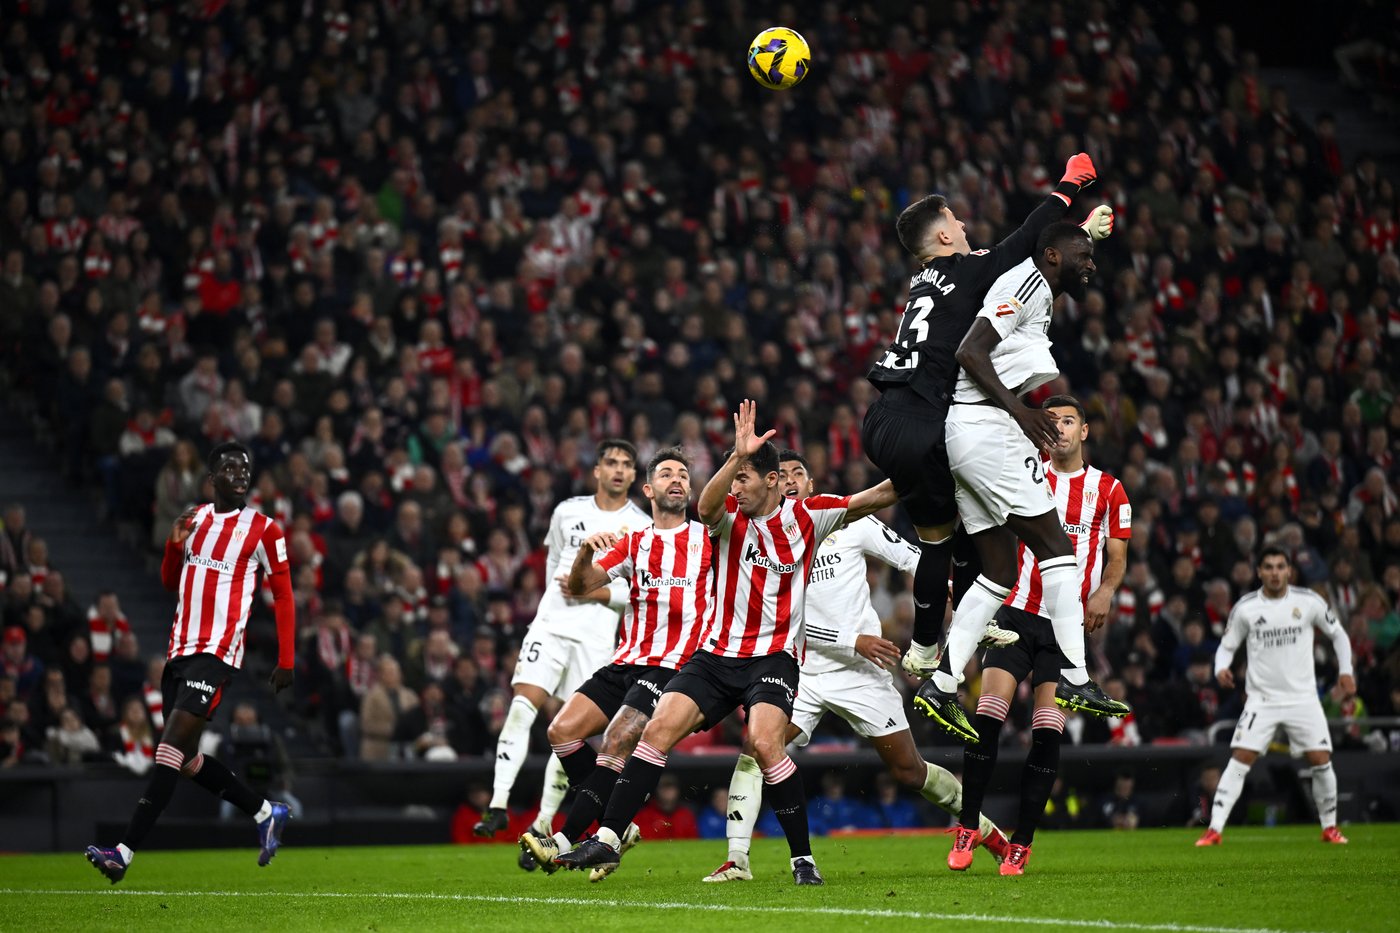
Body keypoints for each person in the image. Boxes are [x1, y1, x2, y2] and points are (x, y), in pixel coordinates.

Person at [555, 401, 898, 886]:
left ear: (773, 481)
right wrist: (735, 459)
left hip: (773, 658)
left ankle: (802, 859)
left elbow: (877, 496)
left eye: (745, 479)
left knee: (762, 743)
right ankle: (608, 838)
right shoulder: (727, 519)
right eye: (734, 478)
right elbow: (706, 505)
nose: (735, 488)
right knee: (657, 730)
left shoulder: (810, 516)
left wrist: (927, 463)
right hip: (716, 655)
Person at [703, 449, 1008, 883]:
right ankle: (737, 860)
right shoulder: (758, 538)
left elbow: (916, 561)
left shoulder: (846, 524)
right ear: (771, 484)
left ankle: (985, 828)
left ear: (811, 484)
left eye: (799, 473)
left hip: (862, 673)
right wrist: (852, 639)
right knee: (757, 748)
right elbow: (774, 619)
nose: (791, 480)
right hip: (801, 670)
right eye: (783, 474)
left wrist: (969, 601)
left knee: (908, 770)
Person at [863, 153, 1111, 683]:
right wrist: (1069, 186)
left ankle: (955, 638)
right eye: (956, 221)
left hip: (883, 414)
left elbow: (1034, 264)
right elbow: (1026, 242)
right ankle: (930, 654)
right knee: (950, 537)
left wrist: (1080, 236)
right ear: (946, 239)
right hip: (925, 419)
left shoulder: (923, 283)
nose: (965, 225)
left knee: (957, 528)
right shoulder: (968, 270)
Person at [915, 222, 1128, 742]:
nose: (1091, 262)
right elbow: (971, 351)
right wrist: (1022, 412)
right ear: (1052, 253)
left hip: (970, 432)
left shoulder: (1041, 291)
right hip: (987, 427)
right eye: (1083, 252)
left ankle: (941, 683)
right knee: (1058, 551)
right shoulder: (1026, 281)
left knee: (997, 572)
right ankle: (1076, 677)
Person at [86, 440, 296, 883]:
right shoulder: (194, 518)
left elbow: (282, 594)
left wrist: (287, 657)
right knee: (184, 760)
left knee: (167, 748)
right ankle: (264, 811)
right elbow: (169, 582)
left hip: (217, 654)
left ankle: (123, 853)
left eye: (246, 468)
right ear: (211, 477)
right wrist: (172, 547)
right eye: (231, 467)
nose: (241, 474)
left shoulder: (265, 530)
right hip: (180, 650)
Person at [950, 396, 1131, 875]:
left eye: (1069, 421)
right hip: (1014, 613)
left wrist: (1106, 592)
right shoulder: (1025, 474)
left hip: (1063, 626)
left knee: (1045, 732)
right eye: (1052, 422)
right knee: (986, 718)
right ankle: (969, 824)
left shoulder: (1109, 490)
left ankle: (1022, 843)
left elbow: (1116, 557)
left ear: (1085, 431)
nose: (1061, 429)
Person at [519, 448, 711, 881]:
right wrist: (586, 549)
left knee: (619, 736)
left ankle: (566, 839)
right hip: (626, 660)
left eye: (683, 474)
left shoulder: (706, 539)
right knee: (561, 731)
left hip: (674, 665)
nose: (677, 480)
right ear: (649, 489)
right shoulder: (635, 542)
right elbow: (580, 585)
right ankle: (616, 821)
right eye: (666, 474)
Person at [473, 439, 650, 847]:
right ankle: (498, 805)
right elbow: (554, 568)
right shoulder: (566, 511)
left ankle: (543, 820)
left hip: (597, 635)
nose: (619, 470)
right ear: (597, 470)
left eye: (626, 464)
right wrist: (560, 599)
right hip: (551, 627)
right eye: (611, 462)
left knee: (569, 730)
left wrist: (595, 593)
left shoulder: (641, 525)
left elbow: (642, 593)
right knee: (521, 708)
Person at [1196, 547, 1354, 846]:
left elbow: (1339, 636)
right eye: (1268, 567)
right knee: (1241, 756)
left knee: (1321, 760)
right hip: (1262, 700)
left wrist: (1346, 672)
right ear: (1259, 572)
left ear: (1289, 571)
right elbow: (1227, 645)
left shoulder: (1308, 602)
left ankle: (1330, 828)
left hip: (1303, 699)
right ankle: (1214, 829)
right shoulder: (1246, 608)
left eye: (1280, 566)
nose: (1275, 572)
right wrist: (1221, 668)